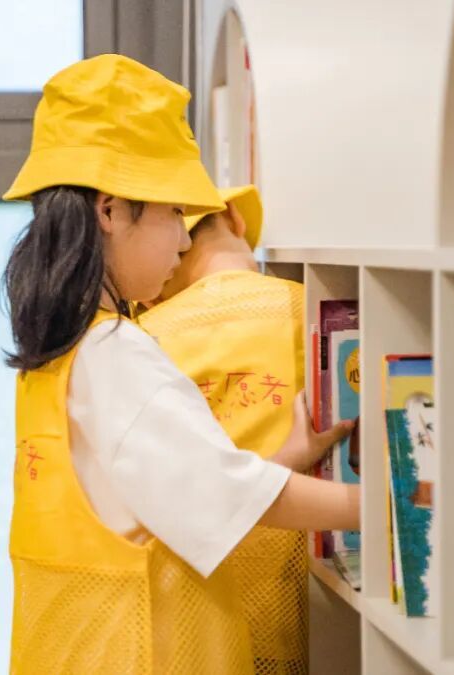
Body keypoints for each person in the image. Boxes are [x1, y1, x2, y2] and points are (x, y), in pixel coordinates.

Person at [1, 53, 359, 674]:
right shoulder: (113, 353)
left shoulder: (59, 357)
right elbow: (224, 496)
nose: (186, 238)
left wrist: (285, 457)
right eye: (172, 213)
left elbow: (174, 499)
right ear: (110, 211)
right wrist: (390, 508)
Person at [139, 185, 311, 674]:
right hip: (305, 604)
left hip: (194, 621)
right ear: (236, 217)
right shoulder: (317, 311)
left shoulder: (143, 338)